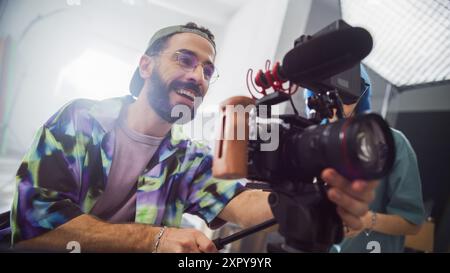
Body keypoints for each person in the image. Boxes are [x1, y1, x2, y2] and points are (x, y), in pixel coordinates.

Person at [9, 23, 378, 253]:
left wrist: (318, 197)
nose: (198, 76)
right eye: (184, 60)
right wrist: (152, 240)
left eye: (207, 69)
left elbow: (240, 203)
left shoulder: (189, 156)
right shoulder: (81, 119)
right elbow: (32, 225)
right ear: (146, 65)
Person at [305, 65, 425, 253]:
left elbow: (412, 222)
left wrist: (366, 219)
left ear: (360, 93)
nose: (335, 100)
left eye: (345, 91)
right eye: (325, 89)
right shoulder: (307, 143)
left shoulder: (391, 143)